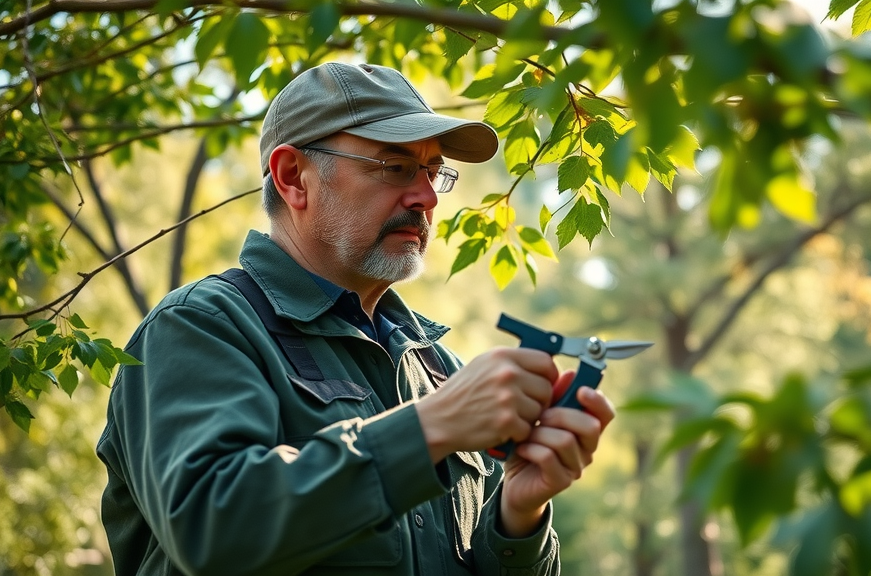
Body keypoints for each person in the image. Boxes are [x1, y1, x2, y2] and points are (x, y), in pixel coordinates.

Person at [96, 61, 615, 576]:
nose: (427, 198)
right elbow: (210, 533)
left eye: (434, 172)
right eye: (395, 167)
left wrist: (520, 515)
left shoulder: (437, 369)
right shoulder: (201, 328)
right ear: (293, 177)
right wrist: (431, 428)